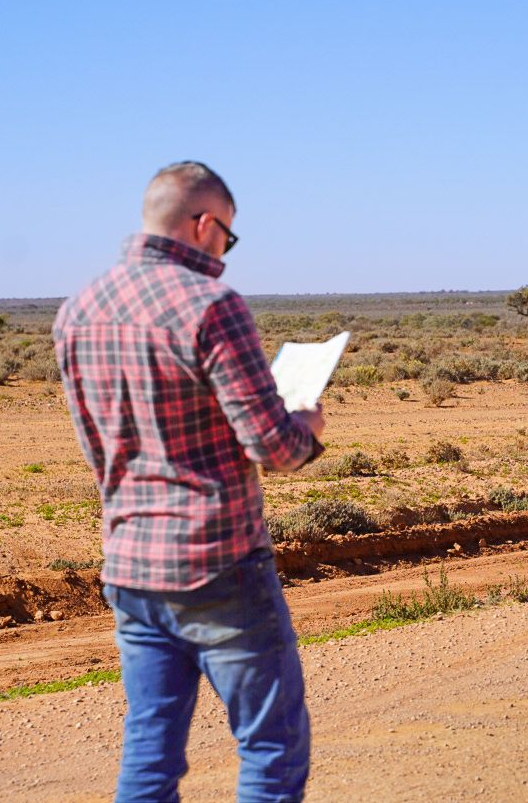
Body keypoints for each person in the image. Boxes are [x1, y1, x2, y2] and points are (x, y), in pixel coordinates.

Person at [53, 161, 325, 803]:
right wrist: (306, 425)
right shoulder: (212, 306)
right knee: (271, 748)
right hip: (219, 563)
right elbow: (274, 447)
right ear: (204, 225)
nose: (226, 251)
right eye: (228, 237)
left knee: (149, 753)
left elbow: (97, 445)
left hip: (129, 563)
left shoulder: (76, 309)